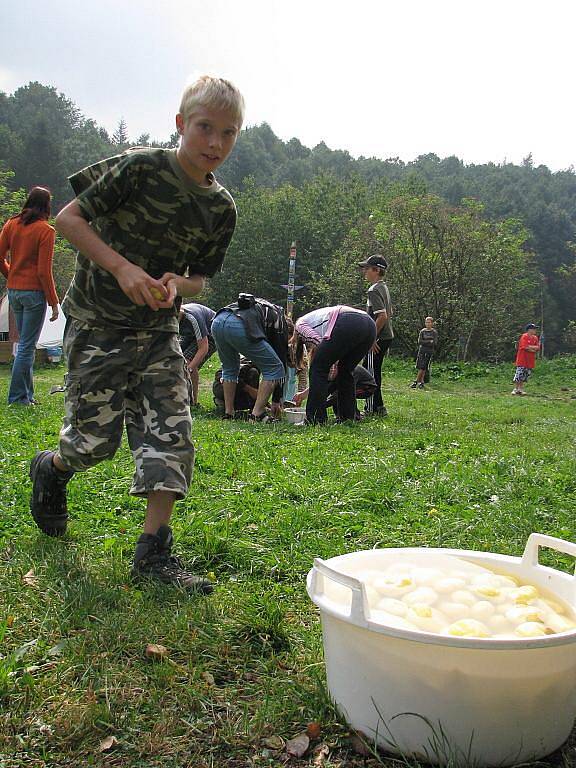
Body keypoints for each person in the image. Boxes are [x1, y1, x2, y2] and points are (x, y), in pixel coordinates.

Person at [28, 75, 245, 593]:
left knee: (171, 435)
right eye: (204, 128)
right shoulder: (142, 168)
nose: (215, 143)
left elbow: (200, 276)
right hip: (98, 323)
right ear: (180, 124)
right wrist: (123, 269)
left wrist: (179, 285)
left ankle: (153, 555)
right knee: (92, 444)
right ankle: (52, 469)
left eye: (229, 133)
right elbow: (69, 218)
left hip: (156, 332)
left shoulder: (220, 208)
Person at [0, 187, 59, 405]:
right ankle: (17, 398)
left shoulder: (11, 224)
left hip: (14, 291)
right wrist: (54, 303)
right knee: (26, 346)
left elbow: (0, 257)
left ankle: (27, 396)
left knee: (24, 345)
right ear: (47, 205)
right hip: (34, 293)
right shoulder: (46, 231)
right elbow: (44, 271)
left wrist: (11, 275)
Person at [211, 293, 288, 422]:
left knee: (230, 368)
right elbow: (280, 358)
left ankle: (229, 413)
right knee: (274, 367)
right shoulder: (280, 320)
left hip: (218, 320)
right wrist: (277, 401)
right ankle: (257, 414)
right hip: (239, 325)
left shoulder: (262, 307)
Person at [293, 305, 376, 424]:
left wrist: (328, 362)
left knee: (318, 368)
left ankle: (315, 419)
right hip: (369, 325)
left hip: (348, 321)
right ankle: (347, 418)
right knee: (345, 371)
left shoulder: (300, 325)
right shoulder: (316, 319)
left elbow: (319, 341)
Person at [358, 254, 393, 416]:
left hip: (378, 337)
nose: (364, 271)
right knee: (373, 370)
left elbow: (383, 316)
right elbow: (389, 312)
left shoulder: (373, 290)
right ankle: (379, 407)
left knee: (369, 373)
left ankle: (372, 408)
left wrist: (371, 338)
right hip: (386, 336)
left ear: (377, 270)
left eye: (367, 268)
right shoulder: (383, 287)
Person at [179, 302, 216, 406]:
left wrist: (189, 369)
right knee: (177, 359)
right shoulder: (167, 318)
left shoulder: (191, 317)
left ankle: (193, 402)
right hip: (191, 334)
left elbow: (203, 348)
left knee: (188, 362)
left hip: (211, 334)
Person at [512, 323, 540, 395]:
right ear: (529, 330)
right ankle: (515, 389)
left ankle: (521, 389)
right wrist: (532, 348)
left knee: (525, 375)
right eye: (534, 329)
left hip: (530, 360)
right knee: (519, 374)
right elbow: (525, 347)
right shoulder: (524, 336)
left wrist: (531, 347)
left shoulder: (535, 338)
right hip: (522, 359)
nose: (535, 330)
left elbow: (537, 347)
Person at [411, 316, 438, 389]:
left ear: (432, 323)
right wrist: (429, 341)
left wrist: (426, 342)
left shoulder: (434, 332)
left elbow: (434, 343)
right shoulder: (422, 331)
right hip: (422, 350)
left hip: (429, 351)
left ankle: (416, 381)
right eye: (426, 322)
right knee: (420, 366)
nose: (427, 324)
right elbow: (420, 341)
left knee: (424, 366)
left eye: (429, 322)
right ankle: (421, 382)